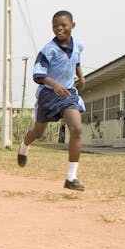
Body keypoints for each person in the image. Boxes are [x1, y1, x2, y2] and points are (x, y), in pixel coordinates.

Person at [17, 10, 86, 191]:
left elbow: (76, 61)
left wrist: (82, 78)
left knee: (76, 128)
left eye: (63, 25)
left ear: (72, 25)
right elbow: (38, 74)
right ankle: (24, 146)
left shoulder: (78, 45)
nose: (59, 29)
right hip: (48, 94)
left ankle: (71, 178)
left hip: (68, 94)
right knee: (38, 133)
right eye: (55, 26)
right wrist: (53, 84)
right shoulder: (48, 50)